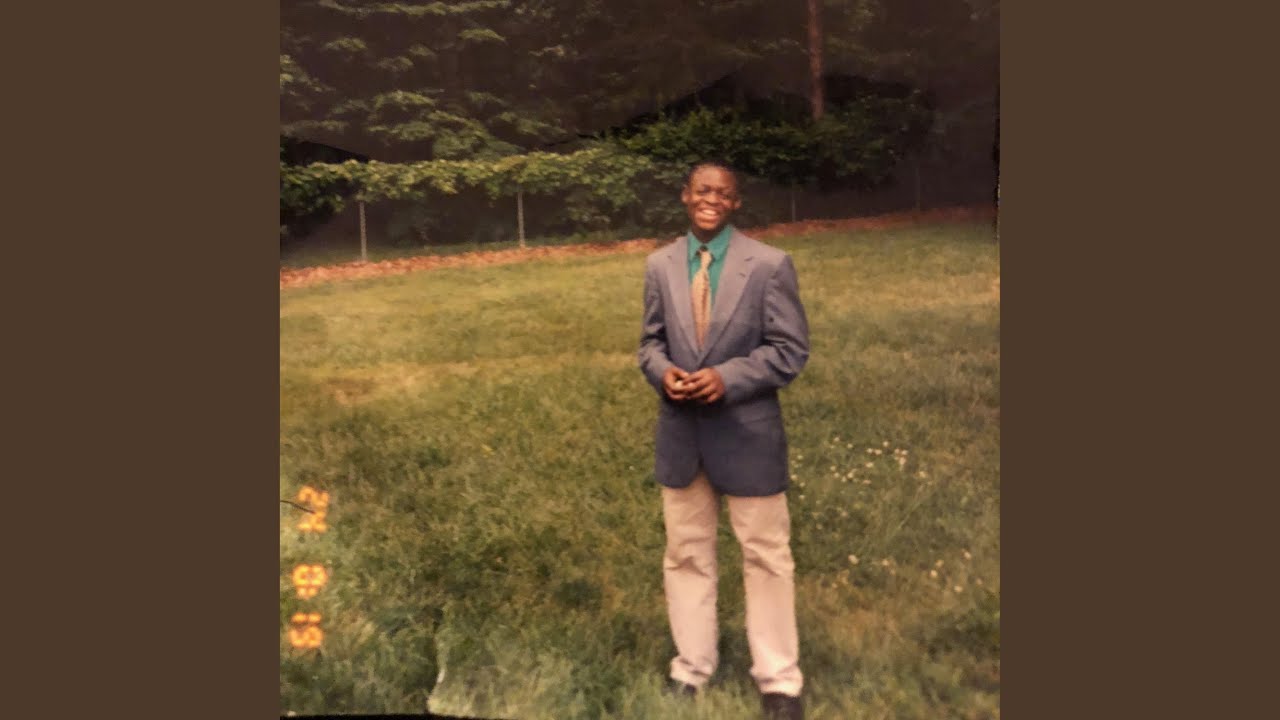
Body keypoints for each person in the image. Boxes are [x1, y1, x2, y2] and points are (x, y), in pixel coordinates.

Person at [637, 162, 810, 720]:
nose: (711, 199)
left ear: (736, 204)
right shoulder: (660, 265)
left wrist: (728, 378)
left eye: (724, 193)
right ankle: (691, 667)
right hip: (682, 436)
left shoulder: (769, 265)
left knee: (766, 555)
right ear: (685, 196)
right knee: (686, 553)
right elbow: (650, 343)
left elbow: (789, 350)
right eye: (702, 190)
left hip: (749, 434)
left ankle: (779, 681)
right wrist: (662, 372)